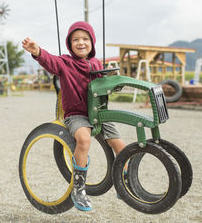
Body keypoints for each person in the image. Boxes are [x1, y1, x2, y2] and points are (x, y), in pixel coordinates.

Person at [22, 21, 126, 211]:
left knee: (121, 146)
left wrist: (110, 78)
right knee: (84, 140)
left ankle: (123, 184)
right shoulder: (64, 63)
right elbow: (50, 61)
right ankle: (79, 188)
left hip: (98, 112)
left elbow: (103, 87)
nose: (81, 43)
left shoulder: (96, 63)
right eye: (75, 39)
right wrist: (37, 51)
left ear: (92, 43)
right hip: (76, 115)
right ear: (69, 44)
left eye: (85, 39)